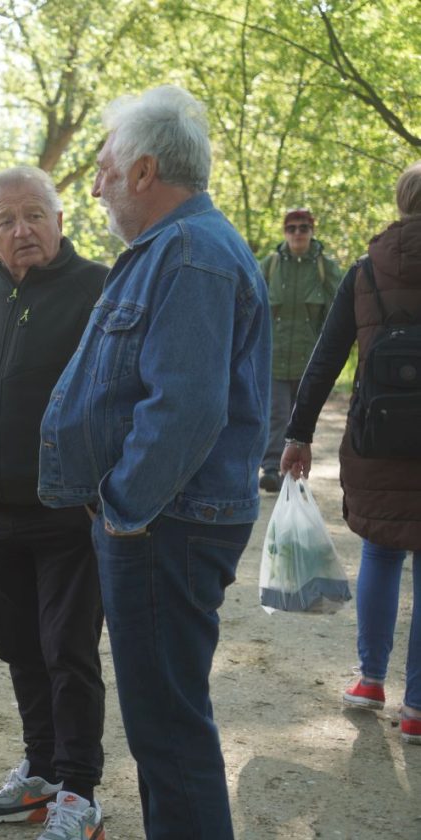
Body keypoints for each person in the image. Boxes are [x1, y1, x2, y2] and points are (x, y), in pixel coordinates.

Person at [38, 85, 270, 840]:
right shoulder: (170, 248)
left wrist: (121, 508)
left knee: (168, 731)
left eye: (104, 169)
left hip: (166, 523)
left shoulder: (192, 254)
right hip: (160, 520)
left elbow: (186, 409)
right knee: (162, 726)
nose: (95, 187)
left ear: (143, 171)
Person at [0, 166, 108, 839]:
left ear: (60, 221)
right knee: (20, 649)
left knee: (68, 651)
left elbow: (121, 396)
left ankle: (80, 794)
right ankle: (41, 773)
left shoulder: (98, 290)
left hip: (67, 515)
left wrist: (98, 490)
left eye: (34, 214)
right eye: (5, 220)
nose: (21, 230)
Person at [280, 161, 421, 748]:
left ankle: (370, 680)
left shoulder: (365, 271)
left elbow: (326, 356)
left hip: (376, 439)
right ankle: (418, 709)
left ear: (401, 203)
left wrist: (298, 433)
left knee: (381, 553)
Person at [257, 207, 340, 492]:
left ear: (312, 231)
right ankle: (271, 468)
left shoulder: (325, 268)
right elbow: (252, 307)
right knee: (277, 414)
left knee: (300, 418)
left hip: (309, 362)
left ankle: (292, 473)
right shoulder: (269, 266)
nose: (297, 233)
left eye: (303, 227)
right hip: (274, 357)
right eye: (291, 228)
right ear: (284, 232)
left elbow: (337, 315)